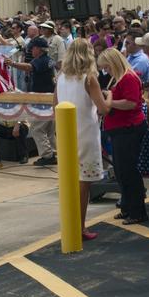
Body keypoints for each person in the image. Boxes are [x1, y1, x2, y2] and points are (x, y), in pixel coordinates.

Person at [56, 39, 110, 240]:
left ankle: (71, 223)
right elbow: (104, 108)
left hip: (67, 131)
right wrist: (109, 96)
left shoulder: (61, 76)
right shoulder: (89, 78)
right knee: (83, 184)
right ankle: (80, 226)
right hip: (86, 131)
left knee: (70, 181)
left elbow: (56, 103)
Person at [99, 47, 148, 224]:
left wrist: (109, 102)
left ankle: (137, 211)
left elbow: (131, 103)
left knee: (128, 171)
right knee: (121, 171)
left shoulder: (128, 77)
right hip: (120, 128)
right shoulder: (119, 77)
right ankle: (128, 206)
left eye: (107, 67)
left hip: (128, 128)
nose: (106, 70)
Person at [6, 37, 57, 165]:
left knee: (37, 128)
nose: (31, 50)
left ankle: (47, 156)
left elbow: (29, 67)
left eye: (33, 48)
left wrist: (12, 64)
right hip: (50, 99)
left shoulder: (42, 60)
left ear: (39, 49)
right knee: (49, 130)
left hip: (42, 101)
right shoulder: (49, 59)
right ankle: (54, 152)